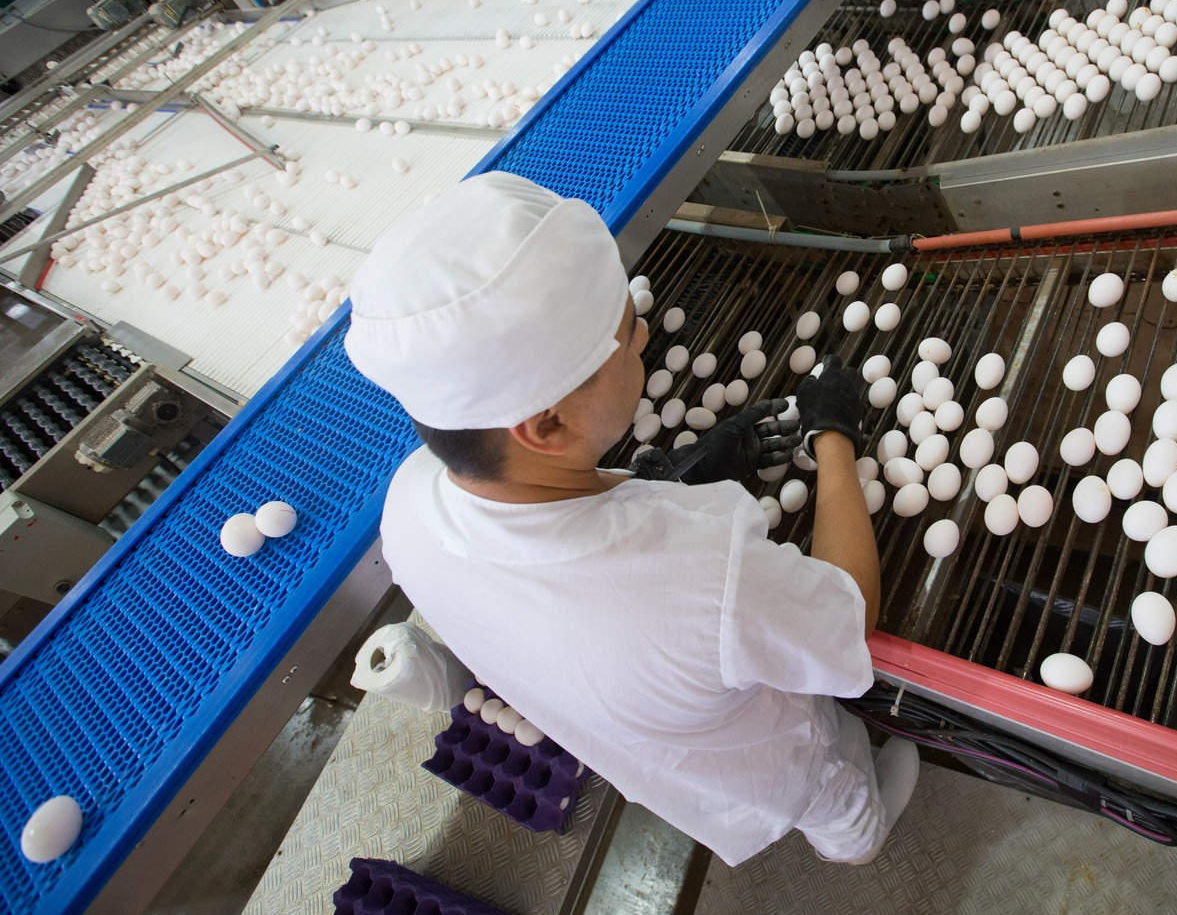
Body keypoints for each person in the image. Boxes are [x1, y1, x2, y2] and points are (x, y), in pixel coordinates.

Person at [345, 171, 919, 867]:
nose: (642, 329)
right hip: (771, 751)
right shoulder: (698, 569)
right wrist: (832, 432)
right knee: (830, 785)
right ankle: (859, 834)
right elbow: (846, 611)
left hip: (653, 750)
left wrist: (670, 472)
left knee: (742, 784)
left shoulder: (406, 504)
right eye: (623, 334)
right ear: (547, 422)